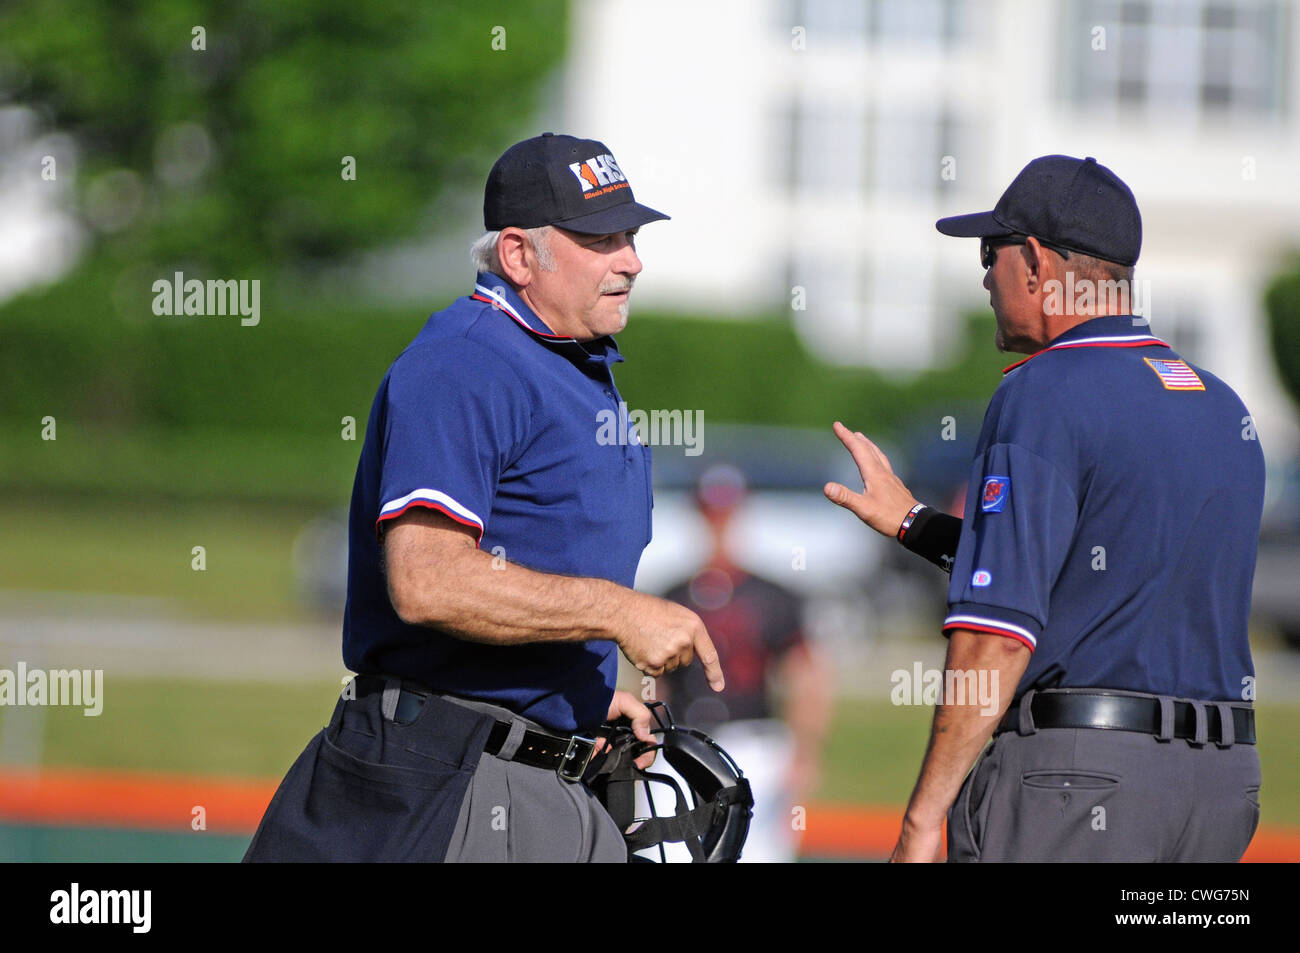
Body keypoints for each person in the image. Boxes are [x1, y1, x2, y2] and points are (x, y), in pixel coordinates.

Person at [244, 132, 724, 863]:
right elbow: (427, 578)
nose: (631, 258)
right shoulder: (468, 359)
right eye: (599, 238)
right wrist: (619, 610)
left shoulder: (569, 365)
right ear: (518, 255)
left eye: (629, 234)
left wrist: (576, 698)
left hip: (535, 777)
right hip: (444, 784)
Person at [824, 155, 1264, 863]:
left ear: (1035, 262)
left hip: (1083, 788)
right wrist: (916, 523)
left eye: (989, 253)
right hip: (1222, 788)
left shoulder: (1045, 392)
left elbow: (996, 638)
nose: (982, 275)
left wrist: (921, 819)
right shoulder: (1221, 406)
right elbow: (1095, 573)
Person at [646, 463, 833, 862]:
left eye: (726, 512)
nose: (719, 524)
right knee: (669, 850)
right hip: (683, 735)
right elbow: (654, 679)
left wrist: (806, 750)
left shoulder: (772, 594)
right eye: (711, 512)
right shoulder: (674, 593)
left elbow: (806, 675)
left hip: (754, 739)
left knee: (755, 852)